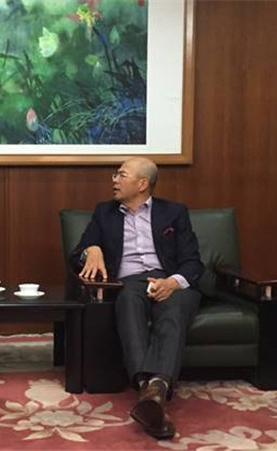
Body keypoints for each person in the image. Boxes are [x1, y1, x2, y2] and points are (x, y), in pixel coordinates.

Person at [70, 157, 203, 440]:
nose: (114, 180)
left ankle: (150, 391)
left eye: (121, 175)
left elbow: (193, 262)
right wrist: (91, 249)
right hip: (128, 281)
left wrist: (172, 283)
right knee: (128, 300)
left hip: (170, 280)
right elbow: (76, 256)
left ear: (142, 184)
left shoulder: (174, 212)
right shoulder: (104, 212)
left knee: (173, 308)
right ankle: (153, 391)